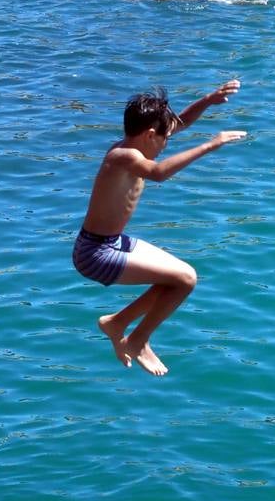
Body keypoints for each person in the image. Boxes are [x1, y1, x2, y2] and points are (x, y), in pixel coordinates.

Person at [74, 80, 247, 376]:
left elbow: (182, 122)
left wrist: (208, 99)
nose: (168, 140)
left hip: (113, 242)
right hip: (95, 253)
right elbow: (158, 173)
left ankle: (117, 324)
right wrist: (211, 143)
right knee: (185, 279)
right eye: (165, 137)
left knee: (180, 278)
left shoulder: (138, 144)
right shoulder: (123, 156)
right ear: (150, 135)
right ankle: (137, 339)